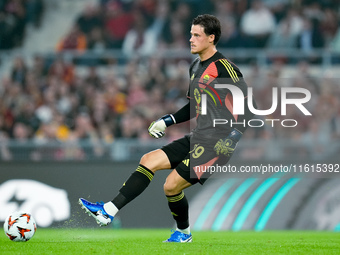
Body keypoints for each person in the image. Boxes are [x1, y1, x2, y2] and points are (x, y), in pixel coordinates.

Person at [79, 14, 255, 243]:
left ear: (211, 38)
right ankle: (109, 210)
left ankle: (183, 233)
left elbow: (248, 109)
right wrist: (168, 120)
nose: (190, 39)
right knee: (149, 160)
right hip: (198, 136)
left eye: (196, 35)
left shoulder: (225, 69)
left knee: (171, 185)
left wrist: (232, 139)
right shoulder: (195, 67)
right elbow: (195, 105)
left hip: (217, 143)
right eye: (190, 34)